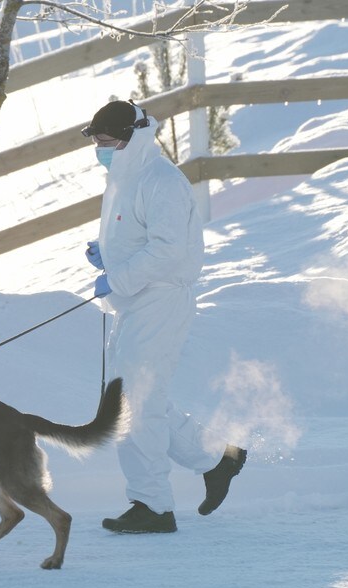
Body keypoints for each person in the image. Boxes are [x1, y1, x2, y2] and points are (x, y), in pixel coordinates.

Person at [82, 99, 246, 534]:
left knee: (134, 402)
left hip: (161, 300)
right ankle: (217, 458)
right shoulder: (124, 177)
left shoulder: (161, 180)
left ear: (131, 137)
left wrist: (117, 277)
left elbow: (169, 251)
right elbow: (139, 237)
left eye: (106, 141)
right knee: (133, 398)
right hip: (135, 301)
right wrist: (107, 256)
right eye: (96, 142)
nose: (100, 150)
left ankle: (153, 506)